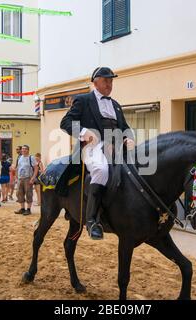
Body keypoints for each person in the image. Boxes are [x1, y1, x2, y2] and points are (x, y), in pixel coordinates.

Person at [60, 67, 135, 240]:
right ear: (95, 82)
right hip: (93, 146)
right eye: (105, 80)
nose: (109, 84)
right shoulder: (83, 100)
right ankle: (92, 220)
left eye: (111, 81)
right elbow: (65, 122)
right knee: (101, 170)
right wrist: (84, 131)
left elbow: (125, 128)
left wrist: (128, 138)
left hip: (116, 147)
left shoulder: (115, 105)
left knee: (136, 172)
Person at [14, 145, 38, 216]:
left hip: (28, 178)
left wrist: (33, 178)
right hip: (20, 178)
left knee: (28, 193)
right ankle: (22, 209)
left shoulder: (31, 158)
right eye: (22, 149)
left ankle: (28, 209)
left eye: (25, 149)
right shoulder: (20, 157)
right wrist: (16, 177)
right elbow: (18, 167)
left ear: (28, 150)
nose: (23, 150)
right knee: (19, 193)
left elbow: (36, 168)